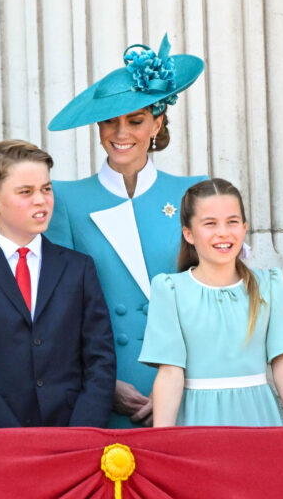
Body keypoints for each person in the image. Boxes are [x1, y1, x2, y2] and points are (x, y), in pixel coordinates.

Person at [45, 34, 208, 428]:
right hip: (107, 391)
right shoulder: (65, 199)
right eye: (110, 121)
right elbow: (58, 310)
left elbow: (214, 300)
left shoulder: (194, 191)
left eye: (135, 120)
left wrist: (179, 381)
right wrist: (101, 382)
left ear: (157, 123)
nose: (121, 134)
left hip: (189, 387)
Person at [0, 141, 115, 427]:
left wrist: (82, 430)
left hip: (74, 433)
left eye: (46, 189)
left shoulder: (78, 268)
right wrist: (11, 434)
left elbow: (100, 358)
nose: (41, 200)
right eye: (26, 192)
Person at [140, 179, 283, 427]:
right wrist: (161, 442)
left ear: (244, 228)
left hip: (259, 419)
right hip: (195, 421)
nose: (223, 232)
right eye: (210, 223)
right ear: (188, 233)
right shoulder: (170, 289)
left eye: (232, 222)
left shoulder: (269, 284)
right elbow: (170, 374)